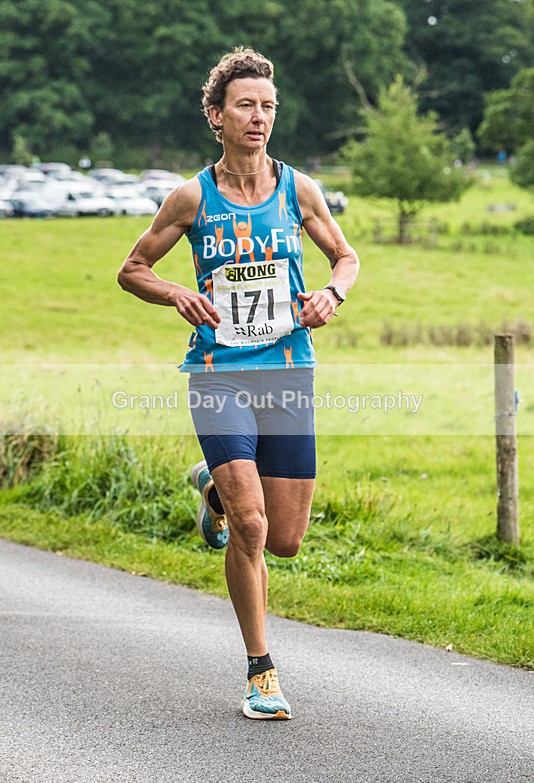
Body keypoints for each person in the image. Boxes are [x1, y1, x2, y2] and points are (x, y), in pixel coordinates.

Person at [118, 47, 359, 720]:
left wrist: (333, 296)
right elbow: (132, 267)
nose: (260, 118)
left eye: (269, 107)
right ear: (217, 116)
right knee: (251, 526)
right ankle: (261, 671)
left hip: (287, 373)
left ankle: (210, 487)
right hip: (218, 375)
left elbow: (346, 256)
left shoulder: (299, 190)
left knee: (284, 538)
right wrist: (174, 295)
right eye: (247, 106)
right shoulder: (192, 196)